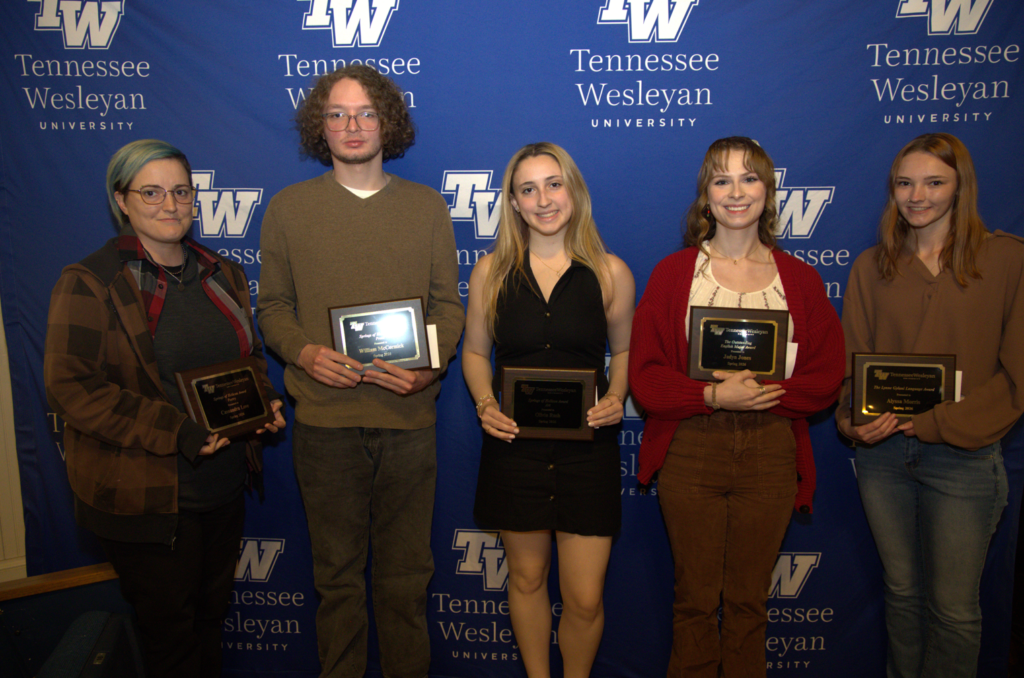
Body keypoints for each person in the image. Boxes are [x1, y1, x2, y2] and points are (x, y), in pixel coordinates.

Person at [44, 139, 285, 678]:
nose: (169, 204)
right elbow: (71, 387)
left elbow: (249, 358)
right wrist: (177, 430)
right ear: (121, 200)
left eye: (180, 191)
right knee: (170, 640)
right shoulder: (91, 282)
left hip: (220, 487)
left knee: (210, 621)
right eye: (151, 192)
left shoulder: (223, 274)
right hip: (145, 497)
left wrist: (263, 401)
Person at [256, 64, 464, 678]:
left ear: (388, 123)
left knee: (405, 583)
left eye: (366, 113)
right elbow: (272, 308)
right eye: (337, 114)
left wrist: (428, 368)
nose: (352, 125)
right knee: (338, 583)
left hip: (407, 422)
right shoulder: (288, 209)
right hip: (324, 426)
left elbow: (447, 307)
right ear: (319, 126)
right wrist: (305, 353)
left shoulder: (426, 207)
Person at [629, 137, 845, 677]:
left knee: (750, 603)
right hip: (691, 449)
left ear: (769, 193)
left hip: (771, 449)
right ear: (706, 196)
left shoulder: (799, 278)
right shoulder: (674, 274)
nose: (736, 191)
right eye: (721, 180)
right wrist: (709, 395)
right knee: (695, 601)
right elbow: (646, 380)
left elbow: (825, 377)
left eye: (749, 178)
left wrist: (765, 395)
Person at [836, 132, 1024, 678]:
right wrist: (852, 422)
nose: (917, 196)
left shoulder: (1008, 260)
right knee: (902, 596)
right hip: (883, 460)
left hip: (964, 459)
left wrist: (937, 422)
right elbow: (853, 368)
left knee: (955, 610)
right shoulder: (873, 266)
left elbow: (1016, 377)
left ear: (960, 186)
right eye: (904, 183)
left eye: (934, 182)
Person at [463, 142, 634, 678]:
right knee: (527, 579)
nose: (543, 199)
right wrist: (485, 403)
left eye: (553, 184)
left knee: (584, 598)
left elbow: (625, 351)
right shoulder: (490, 272)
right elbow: (473, 352)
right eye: (528, 188)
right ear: (513, 202)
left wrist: (615, 397)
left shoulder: (610, 272)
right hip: (516, 449)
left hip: (588, 453)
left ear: (574, 191)